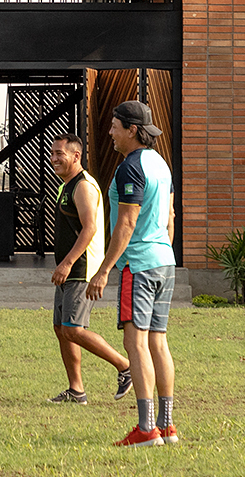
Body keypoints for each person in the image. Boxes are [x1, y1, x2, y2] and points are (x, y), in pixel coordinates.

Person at [88, 101, 179, 447]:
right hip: (164, 261)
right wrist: (162, 248)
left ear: (132, 130)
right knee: (158, 341)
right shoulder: (161, 164)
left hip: (137, 266)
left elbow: (126, 223)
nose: (110, 132)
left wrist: (104, 270)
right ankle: (166, 426)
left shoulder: (131, 167)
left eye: (115, 126)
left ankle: (145, 429)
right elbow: (170, 217)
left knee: (135, 343)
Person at [44, 134, 132, 405]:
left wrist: (68, 262)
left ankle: (126, 367)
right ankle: (76, 390)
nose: (54, 158)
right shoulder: (66, 185)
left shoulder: (83, 186)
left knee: (73, 329)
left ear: (76, 156)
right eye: (52, 153)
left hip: (81, 268)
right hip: (69, 270)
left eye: (60, 154)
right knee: (61, 328)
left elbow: (90, 228)